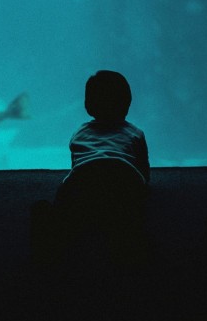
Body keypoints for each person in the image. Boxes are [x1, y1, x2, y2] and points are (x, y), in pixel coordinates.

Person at [30, 70, 150, 263]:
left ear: (88, 106)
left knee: (66, 219)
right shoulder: (135, 133)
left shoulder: (80, 133)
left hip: (82, 183)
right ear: (127, 103)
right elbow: (144, 172)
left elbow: (76, 164)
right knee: (127, 225)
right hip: (123, 182)